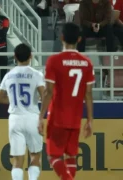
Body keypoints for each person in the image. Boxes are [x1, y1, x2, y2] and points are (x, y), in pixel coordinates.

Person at [39, 23, 95, 180]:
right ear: (79, 39)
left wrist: (40, 116)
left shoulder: (54, 61)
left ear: (61, 37)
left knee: (53, 156)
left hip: (57, 117)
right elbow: (88, 94)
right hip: (75, 118)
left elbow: (49, 91)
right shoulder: (87, 63)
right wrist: (90, 120)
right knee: (71, 156)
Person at [0, 43, 44, 180]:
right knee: (35, 156)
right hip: (32, 118)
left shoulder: (9, 75)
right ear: (31, 56)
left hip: (15, 118)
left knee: (18, 160)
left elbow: (0, 98)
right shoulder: (36, 74)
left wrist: (14, 100)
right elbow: (45, 94)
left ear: (14, 57)